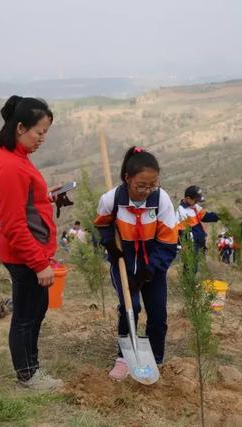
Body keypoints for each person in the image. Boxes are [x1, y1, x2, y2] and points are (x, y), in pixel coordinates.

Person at [0, 95, 65, 390]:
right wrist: (38, 263)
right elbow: (13, 224)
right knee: (25, 316)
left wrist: (44, 197)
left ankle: (32, 369)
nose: (42, 139)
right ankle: (28, 376)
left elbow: (22, 205)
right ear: (20, 127)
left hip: (31, 253)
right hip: (25, 256)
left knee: (35, 312)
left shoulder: (16, 159)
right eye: (40, 132)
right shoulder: (10, 166)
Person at [94, 146, 178, 381]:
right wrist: (111, 246)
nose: (146, 191)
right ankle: (123, 358)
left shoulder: (161, 200)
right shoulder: (111, 200)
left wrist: (148, 272)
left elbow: (169, 242)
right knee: (131, 307)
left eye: (151, 185)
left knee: (158, 314)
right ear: (127, 178)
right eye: (141, 185)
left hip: (153, 265)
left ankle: (155, 358)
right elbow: (102, 225)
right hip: (124, 262)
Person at [176, 185, 219, 255]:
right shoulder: (181, 212)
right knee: (192, 265)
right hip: (192, 248)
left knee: (202, 264)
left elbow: (205, 216)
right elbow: (183, 234)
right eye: (196, 200)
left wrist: (219, 216)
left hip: (200, 245)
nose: (197, 202)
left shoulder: (194, 206)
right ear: (188, 198)